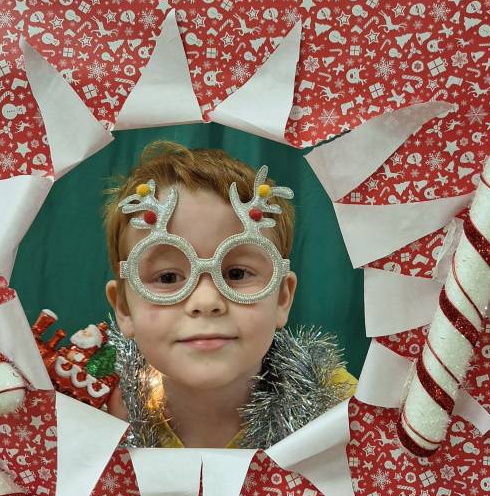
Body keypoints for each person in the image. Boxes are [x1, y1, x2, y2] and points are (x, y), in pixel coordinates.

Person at [102, 140, 357, 449]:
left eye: (236, 274)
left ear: (282, 298)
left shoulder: (341, 411)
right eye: (168, 277)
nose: (206, 302)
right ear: (124, 308)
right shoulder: (94, 420)